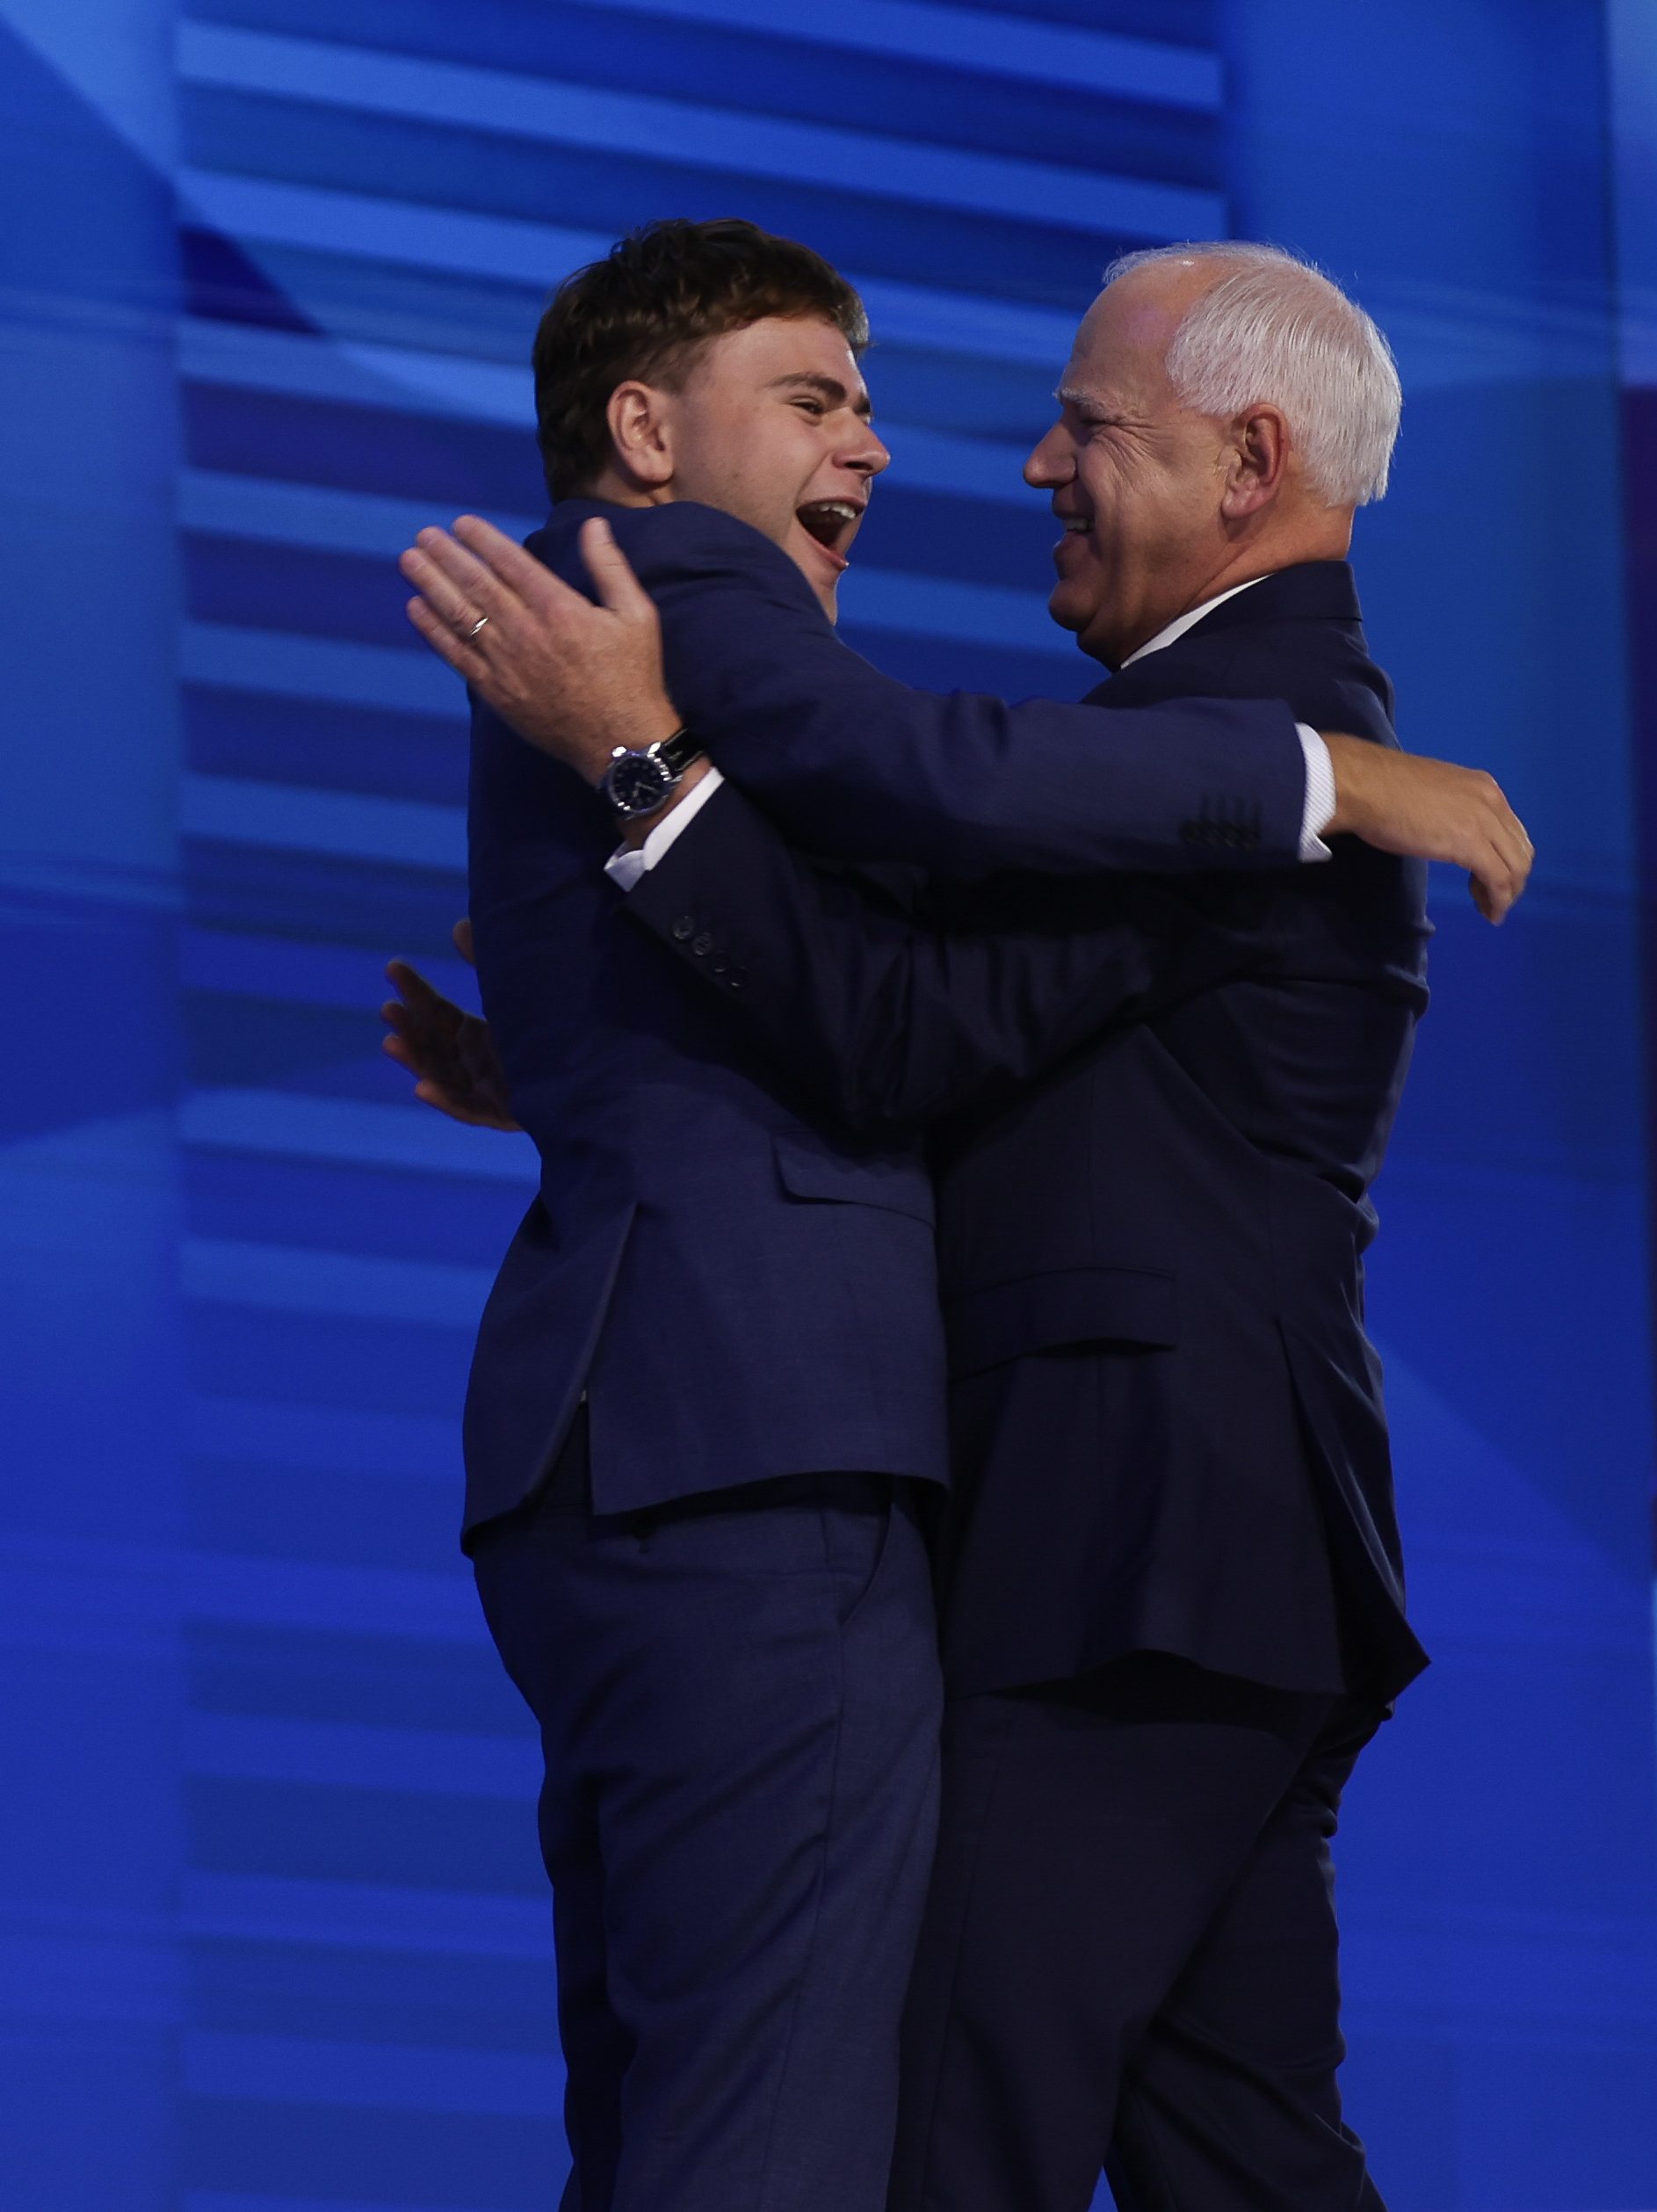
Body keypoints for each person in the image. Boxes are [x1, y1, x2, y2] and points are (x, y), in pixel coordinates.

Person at [392, 220, 1531, 2212]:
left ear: (1245, 464)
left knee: (910, 2141)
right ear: (650, 428)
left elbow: (895, 1016)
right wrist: (596, 1028)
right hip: (1192, 1560)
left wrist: (643, 786)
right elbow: (899, 968)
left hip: (1125, 1554)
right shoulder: (1232, 751)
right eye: (821, 398)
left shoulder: (1236, 751)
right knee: (1230, 2148)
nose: (1018, 465)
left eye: (1083, 425)